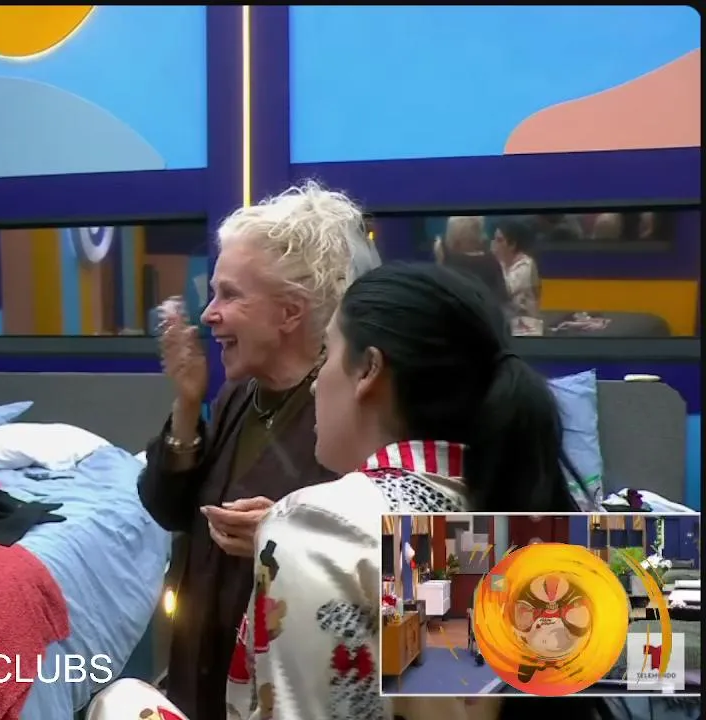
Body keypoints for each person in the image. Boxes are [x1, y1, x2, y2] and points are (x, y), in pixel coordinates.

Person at [227, 263, 580, 720]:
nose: (315, 382)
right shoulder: (568, 532)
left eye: (327, 353)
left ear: (369, 370)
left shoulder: (318, 528)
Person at [138, 180, 376, 719]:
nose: (208, 314)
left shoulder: (356, 418)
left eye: (229, 295)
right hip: (202, 679)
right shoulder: (240, 394)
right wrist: (187, 403)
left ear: (290, 312)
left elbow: (419, 591)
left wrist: (287, 537)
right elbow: (169, 510)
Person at [490, 216, 543, 336]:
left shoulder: (526, 265)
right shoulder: (501, 263)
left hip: (526, 330)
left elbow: (503, 291)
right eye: (494, 239)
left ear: (512, 244)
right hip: (507, 326)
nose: (493, 244)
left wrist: (491, 260)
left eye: (499, 240)